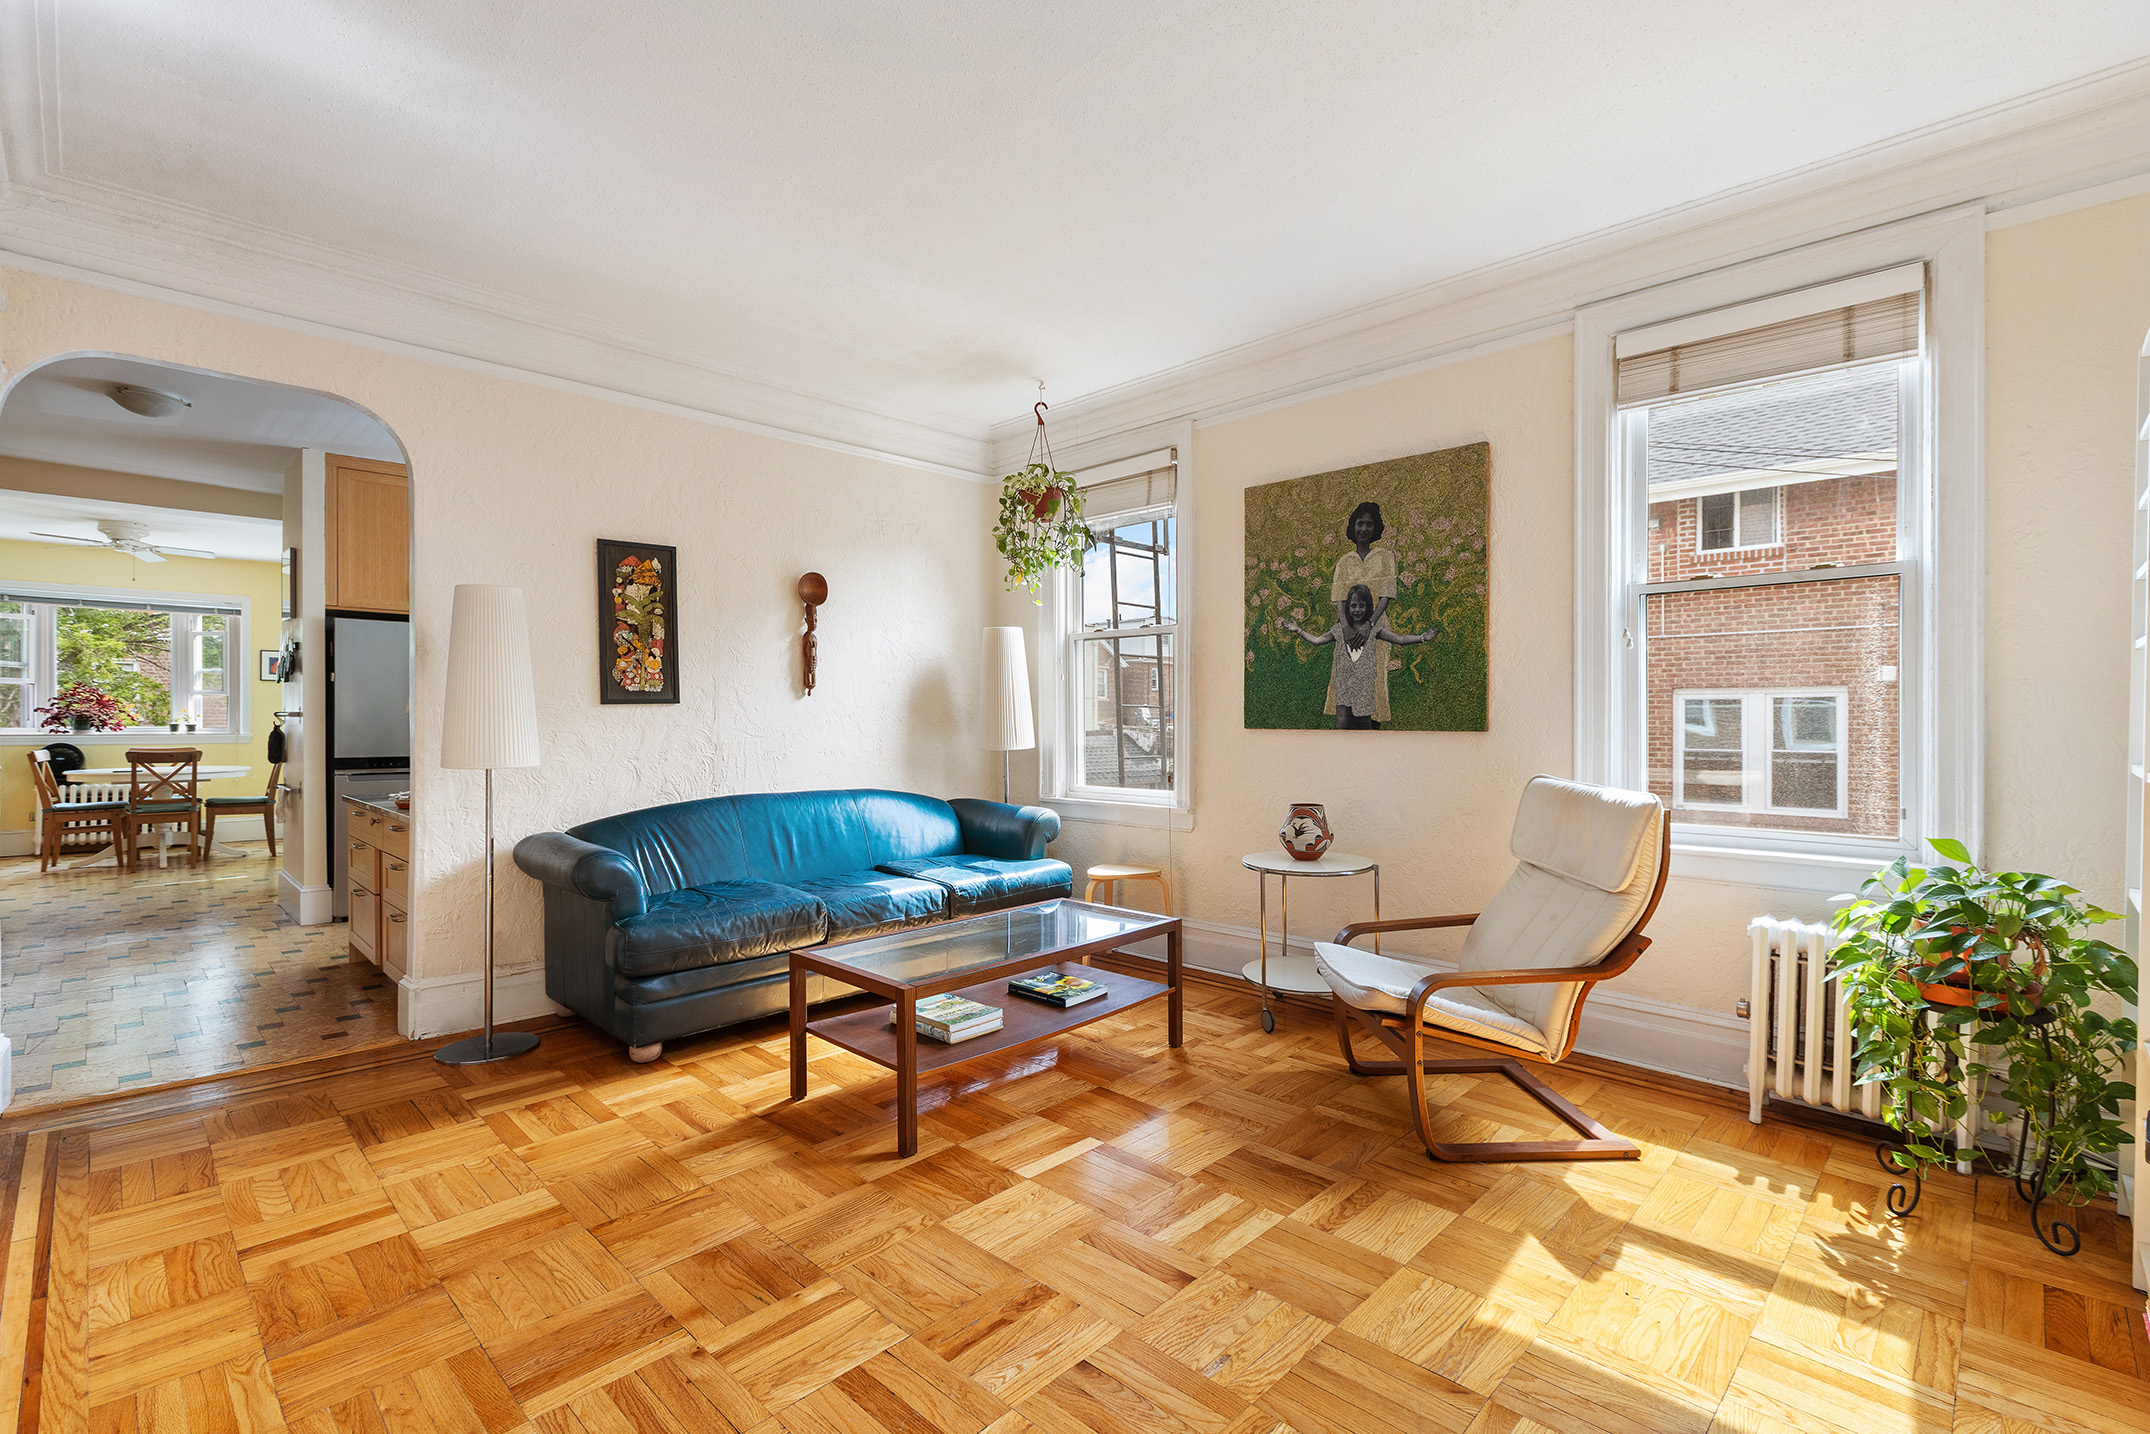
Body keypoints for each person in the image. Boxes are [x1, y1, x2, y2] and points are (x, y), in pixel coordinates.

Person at [1283, 585, 1439, 729]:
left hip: (1365, 689)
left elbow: (1400, 639)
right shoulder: (1340, 630)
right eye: (1353, 606)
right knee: (1342, 724)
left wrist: (1422, 637)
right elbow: (1317, 641)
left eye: (1362, 606)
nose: (1357, 610)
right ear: (1347, 608)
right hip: (1344, 688)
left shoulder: (1374, 630)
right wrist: (1299, 630)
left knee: (1364, 725)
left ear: (1368, 607)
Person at [1325, 501, 1400, 721]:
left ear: (1375, 528)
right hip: (1348, 629)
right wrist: (1346, 628)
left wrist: (1370, 625)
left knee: (1373, 679)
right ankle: (1347, 725)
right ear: (1353, 527)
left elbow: (1386, 594)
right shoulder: (1344, 561)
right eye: (1360, 524)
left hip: (1376, 627)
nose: (1364, 529)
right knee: (1346, 678)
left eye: (1369, 524)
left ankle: (1373, 727)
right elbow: (1339, 597)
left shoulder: (1385, 557)